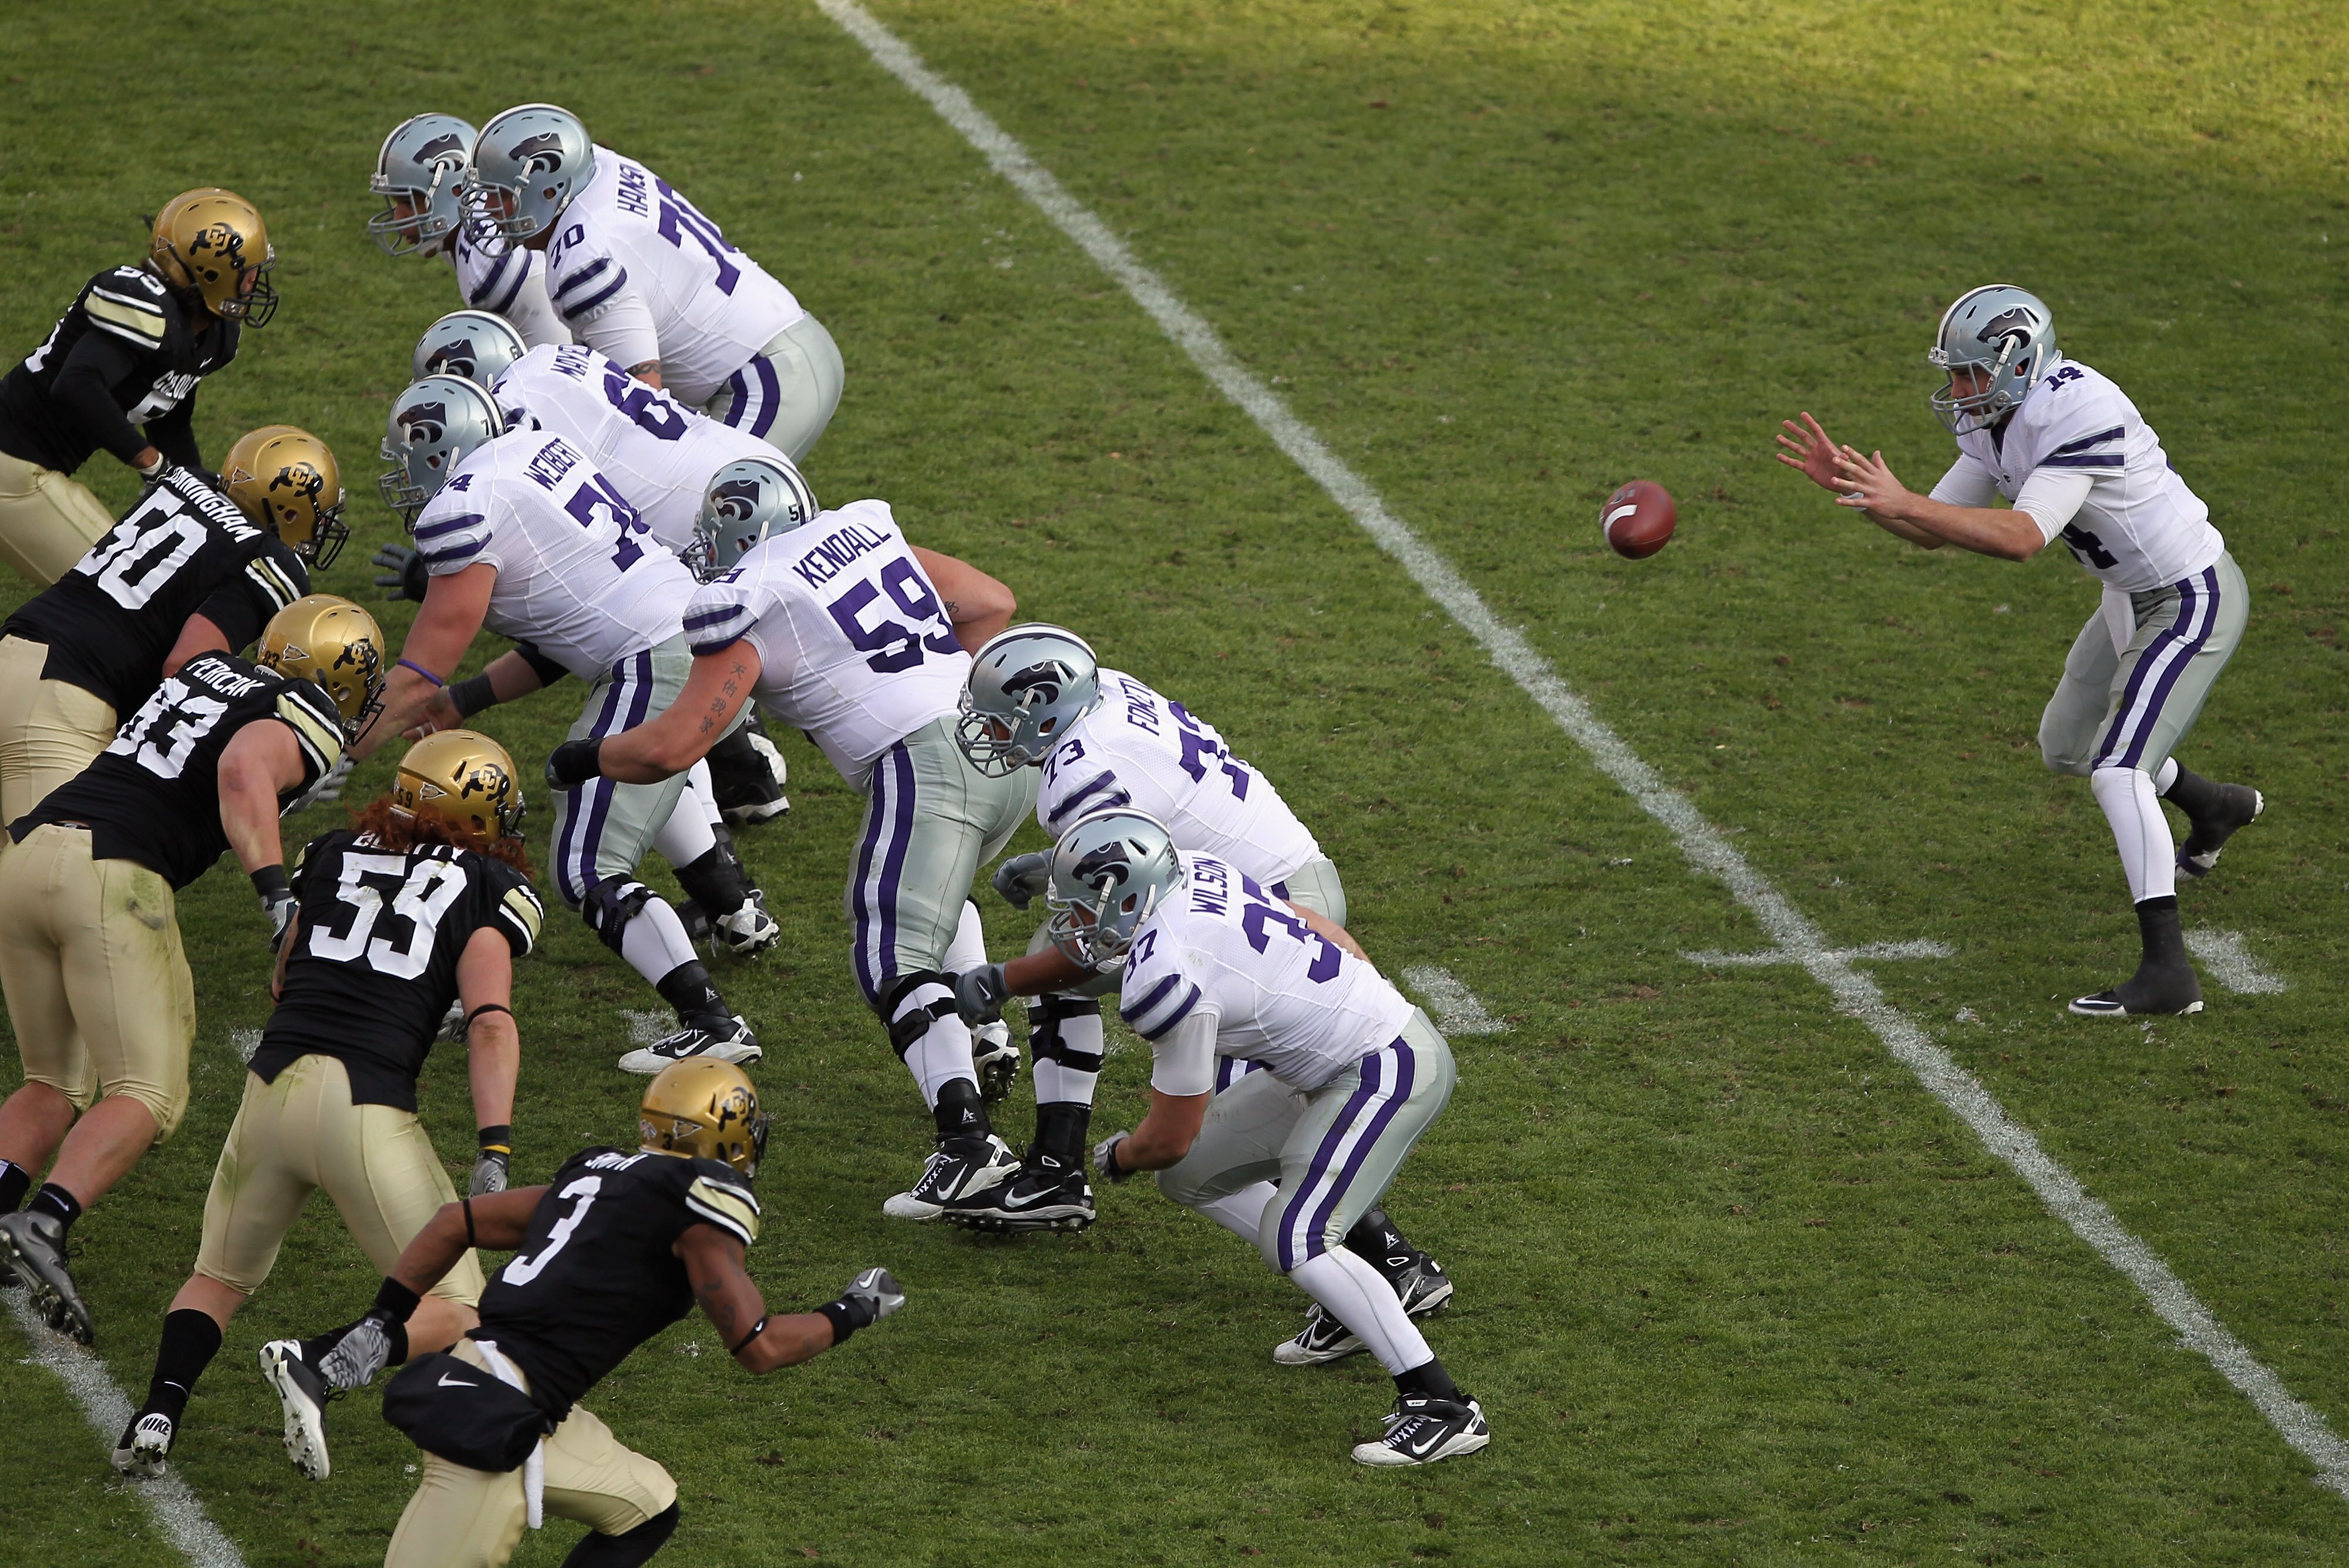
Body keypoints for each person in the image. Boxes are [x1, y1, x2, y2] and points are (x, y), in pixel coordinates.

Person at [543, 459, 1028, 1214]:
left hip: (925, 765)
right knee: (936, 894)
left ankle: (969, 1147)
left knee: (890, 953)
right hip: (998, 748)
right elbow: (992, 603)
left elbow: (672, 747)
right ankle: (982, 1028)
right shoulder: (861, 529)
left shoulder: (751, 594)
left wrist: (580, 757)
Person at [1778, 285, 2262, 1016]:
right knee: (2066, 747)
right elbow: (1936, 527)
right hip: (2127, 594)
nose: (1957, 389)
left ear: (2017, 363)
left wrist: (1904, 498)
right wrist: (1863, 496)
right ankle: (2212, 805)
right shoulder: (1996, 418)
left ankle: (2168, 974)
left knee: (2116, 772)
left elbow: (2020, 538)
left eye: (1969, 374)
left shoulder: (2076, 410)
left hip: (2188, 595)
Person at [964, 809, 1486, 1465]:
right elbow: (1322, 928)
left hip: (1383, 1065)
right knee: (1193, 1181)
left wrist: (1120, 1156)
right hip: (1328, 1064)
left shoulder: (1164, 973)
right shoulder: (1197, 873)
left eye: (1084, 909)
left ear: (1130, 899)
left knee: (1295, 1238)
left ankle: (1440, 1403)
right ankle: (1354, 1312)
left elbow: (1169, 1135)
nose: (1073, 925)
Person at [263, 1059, 904, 1567]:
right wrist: (852, 1310)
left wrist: (382, 1320)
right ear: (728, 1136)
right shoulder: (698, 1202)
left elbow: (453, 1222)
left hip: (535, 1407)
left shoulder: (597, 1174)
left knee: (648, 1507)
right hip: (490, 1422)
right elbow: (758, 1345)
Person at [115, 731, 542, 1479]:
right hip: (367, 1110)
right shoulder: (486, 889)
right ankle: (314, 1362)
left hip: (273, 1085)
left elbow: (287, 975)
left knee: (219, 1274)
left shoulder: (332, 852)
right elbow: (490, 1023)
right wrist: (495, 1147)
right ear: (480, 817)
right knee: (462, 1308)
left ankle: (156, 1415)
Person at [0, 595, 382, 1344]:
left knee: (53, 1082)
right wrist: (279, 899)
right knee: (147, 1091)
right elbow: (242, 768)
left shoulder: (205, 672)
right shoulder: (305, 709)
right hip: (113, 872)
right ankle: (43, 1222)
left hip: (31, 850)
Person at [369, 374, 772, 1071]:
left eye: (407, 456)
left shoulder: (463, 508)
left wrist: (327, 748)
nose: (402, 475)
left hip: (658, 661)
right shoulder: (535, 451)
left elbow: (413, 677)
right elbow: (562, 631)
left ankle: (709, 1020)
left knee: (587, 865)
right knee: (604, 775)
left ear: (438, 451)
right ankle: (734, 908)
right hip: (698, 642)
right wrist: (463, 701)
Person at [399, 309, 792, 827]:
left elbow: (578, 608)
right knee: (658, 643)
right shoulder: (549, 360)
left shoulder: (515, 426)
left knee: (653, 657)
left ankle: (733, 792)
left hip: (703, 519)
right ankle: (744, 771)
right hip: (747, 472)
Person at [0, 433, 332, 836]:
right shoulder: (269, 560)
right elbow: (185, 665)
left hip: (19, 647)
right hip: (65, 698)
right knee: (59, 867)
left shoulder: (186, 482)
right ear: (289, 510)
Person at [467, 103, 842, 460]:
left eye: (501, 196)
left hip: (769, 380)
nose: (488, 209)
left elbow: (645, 410)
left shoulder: (584, 260)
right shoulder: (599, 167)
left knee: (702, 513)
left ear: (549, 192)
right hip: (777, 346)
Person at [0, 189, 276, 586]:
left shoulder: (212, 335)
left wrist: (194, 494)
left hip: (33, 468)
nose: (255, 281)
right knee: (124, 591)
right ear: (214, 272)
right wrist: (152, 464)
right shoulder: (143, 304)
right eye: (249, 270)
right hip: (13, 464)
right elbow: (76, 385)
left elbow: (171, 423)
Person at [368, 114, 573, 351]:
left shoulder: (486, 261)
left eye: (408, 203)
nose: (398, 217)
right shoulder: (465, 223)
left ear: (454, 192)